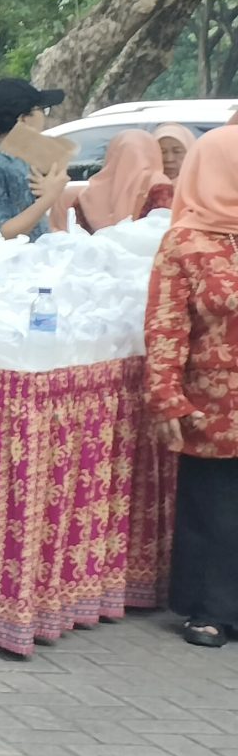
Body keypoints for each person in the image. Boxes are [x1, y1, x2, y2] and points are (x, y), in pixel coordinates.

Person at [145, 126, 238, 648]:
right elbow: (166, 325)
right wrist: (167, 397)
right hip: (214, 399)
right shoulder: (185, 241)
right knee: (214, 506)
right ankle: (210, 610)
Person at [0, 78, 70, 240]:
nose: (44, 118)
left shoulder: (14, 155)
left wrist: (43, 193)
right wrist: (49, 198)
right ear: (23, 119)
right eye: (42, 110)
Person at [69, 130, 174, 231]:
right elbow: (163, 226)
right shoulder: (159, 185)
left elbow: (78, 232)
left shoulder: (86, 195)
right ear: (153, 154)